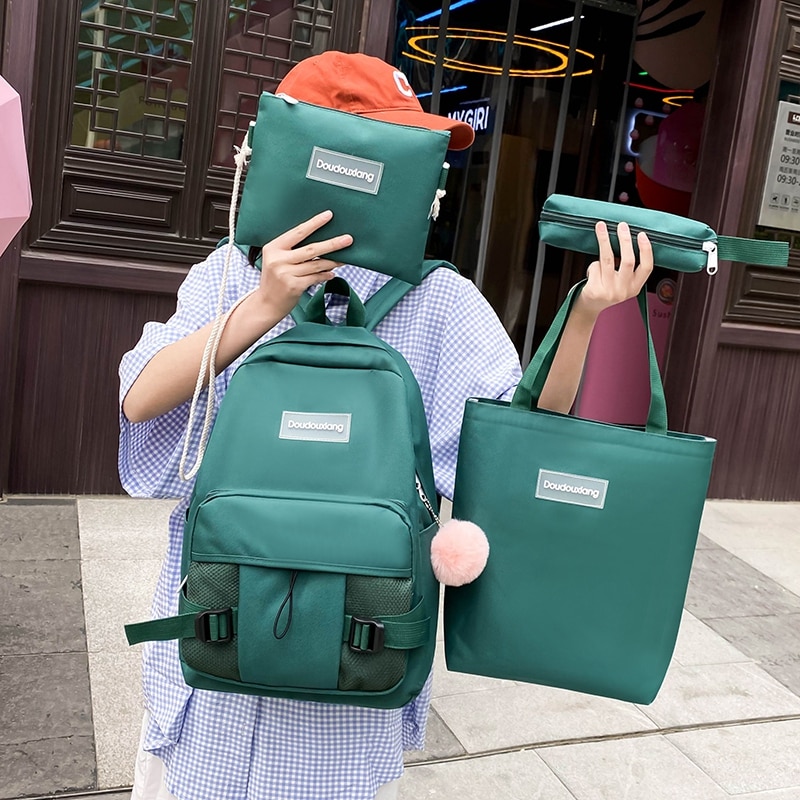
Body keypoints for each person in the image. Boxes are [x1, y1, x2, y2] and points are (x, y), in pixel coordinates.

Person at [119, 51, 653, 800]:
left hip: (353, 661)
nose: (428, 181)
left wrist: (589, 314)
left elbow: (515, 435)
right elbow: (141, 398)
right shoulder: (233, 273)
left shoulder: (442, 301)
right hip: (216, 656)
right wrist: (264, 306)